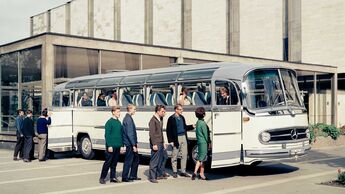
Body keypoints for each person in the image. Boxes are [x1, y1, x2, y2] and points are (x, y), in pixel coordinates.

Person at [166, 104, 195, 178]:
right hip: (176, 138)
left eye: (182, 109)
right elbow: (168, 130)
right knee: (174, 155)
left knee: (184, 155)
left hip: (183, 137)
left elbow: (184, 127)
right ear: (176, 110)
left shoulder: (182, 117)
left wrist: (192, 126)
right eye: (180, 109)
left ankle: (183, 171)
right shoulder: (171, 118)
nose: (182, 110)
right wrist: (171, 141)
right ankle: (175, 171)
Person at [99, 106, 123, 184]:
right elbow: (107, 135)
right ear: (113, 112)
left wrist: (122, 145)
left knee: (114, 163)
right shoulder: (109, 122)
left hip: (117, 146)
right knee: (108, 162)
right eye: (117, 112)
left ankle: (113, 177)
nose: (119, 113)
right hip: (111, 146)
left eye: (119, 112)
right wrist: (109, 145)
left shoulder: (119, 122)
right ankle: (102, 178)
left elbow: (120, 135)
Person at [122, 104, 141, 182]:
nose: (135, 111)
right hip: (130, 144)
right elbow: (130, 133)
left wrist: (135, 142)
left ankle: (133, 175)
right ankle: (125, 177)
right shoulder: (128, 119)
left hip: (131, 143)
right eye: (134, 109)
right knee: (129, 160)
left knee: (135, 159)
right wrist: (134, 145)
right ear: (130, 109)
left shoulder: (128, 118)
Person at [148, 105, 166, 183]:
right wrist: (154, 144)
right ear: (158, 111)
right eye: (162, 111)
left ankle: (158, 174)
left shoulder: (160, 119)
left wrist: (163, 142)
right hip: (156, 142)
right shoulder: (153, 120)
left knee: (163, 157)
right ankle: (152, 177)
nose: (164, 113)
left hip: (160, 142)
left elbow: (161, 132)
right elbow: (152, 133)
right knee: (154, 160)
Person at [191, 107, 210, 180]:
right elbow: (205, 134)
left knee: (203, 159)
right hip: (204, 143)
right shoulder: (203, 123)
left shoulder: (198, 122)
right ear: (204, 114)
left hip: (199, 141)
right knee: (201, 159)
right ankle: (195, 173)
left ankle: (202, 174)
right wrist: (208, 142)